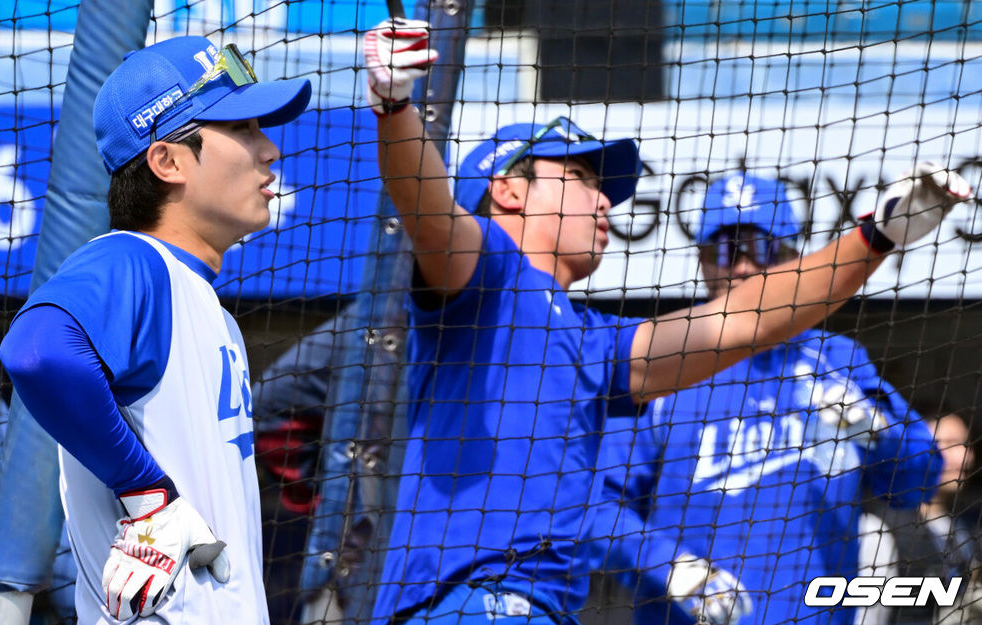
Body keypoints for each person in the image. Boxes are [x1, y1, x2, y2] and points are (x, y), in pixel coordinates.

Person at [362, 18, 973, 625]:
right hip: (473, 604)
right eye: (580, 176)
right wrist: (396, 107)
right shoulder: (487, 274)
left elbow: (743, 322)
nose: (605, 199)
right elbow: (430, 212)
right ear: (509, 191)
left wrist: (875, 237)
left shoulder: (593, 337)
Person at [0, 36, 312, 623]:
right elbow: (36, 350)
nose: (270, 149)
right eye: (242, 129)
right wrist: (148, 494)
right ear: (167, 161)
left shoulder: (198, 299)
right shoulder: (136, 259)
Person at [587, 172, 945, 625]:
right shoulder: (663, 358)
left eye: (762, 249)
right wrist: (668, 565)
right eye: (725, 250)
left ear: (795, 257)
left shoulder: (839, 359)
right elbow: (595, 505)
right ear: (701, 260)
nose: (742, 267)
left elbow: (917, 485)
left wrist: (880, 433)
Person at [867, 411, 982, 624]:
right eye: (951, 443)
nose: (965, 457)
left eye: (967, 445)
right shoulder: (880, 528)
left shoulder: (970, 528)